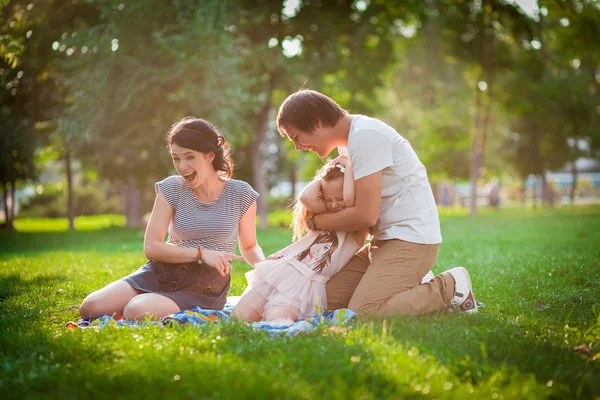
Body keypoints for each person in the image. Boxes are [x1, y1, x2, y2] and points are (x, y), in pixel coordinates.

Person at [275, 89, 478, 318]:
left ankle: (450, 286)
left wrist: (315, 221)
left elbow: (365, 216)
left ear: (317, 121)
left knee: (364, 313)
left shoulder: (366, 137)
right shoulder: (349, 144)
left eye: (296, 137)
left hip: (411, 239)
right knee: (325, 303)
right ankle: (412, 282)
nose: (297, 146)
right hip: (381, 242)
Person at [79, 117, 265, 321]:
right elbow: (151, 247)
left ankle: (147, 304)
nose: (182, 166)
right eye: (176, 158)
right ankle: (153, 301)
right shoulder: (172, 188)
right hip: (162, 271)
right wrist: (202, 253)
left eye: (189, 157)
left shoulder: (241, 193)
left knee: (136, 311)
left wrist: (267, 271)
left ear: (209, 156)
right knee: (90, 308)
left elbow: (249, 245)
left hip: (205, 284)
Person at [231, 158, 369, 322]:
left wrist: (348, 167)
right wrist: (323, 176)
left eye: (339, 199)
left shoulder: (356, 229)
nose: (334, 205)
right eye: (328, 199)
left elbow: (350, 198)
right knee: (237, 318)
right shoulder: (326, 214)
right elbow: (306, 198)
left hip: (305, 284)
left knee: (276, 322)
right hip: (283, 269)